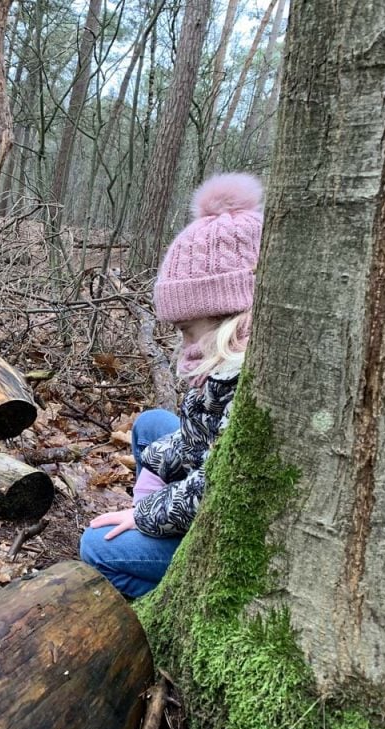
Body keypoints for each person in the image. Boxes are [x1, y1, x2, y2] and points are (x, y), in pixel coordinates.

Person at [79, 173, 263, 598]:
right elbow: (198, 439)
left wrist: (144, 516)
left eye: (186, 329)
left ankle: (171, 600)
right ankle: (154, 530)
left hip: (223, 537)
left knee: (96, 548)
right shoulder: (227, 356)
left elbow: (217, 485)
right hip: (200, 494)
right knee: (151, 426)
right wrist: (149, 494)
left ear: (224, 314)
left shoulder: (251, 381)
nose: (182, 345)